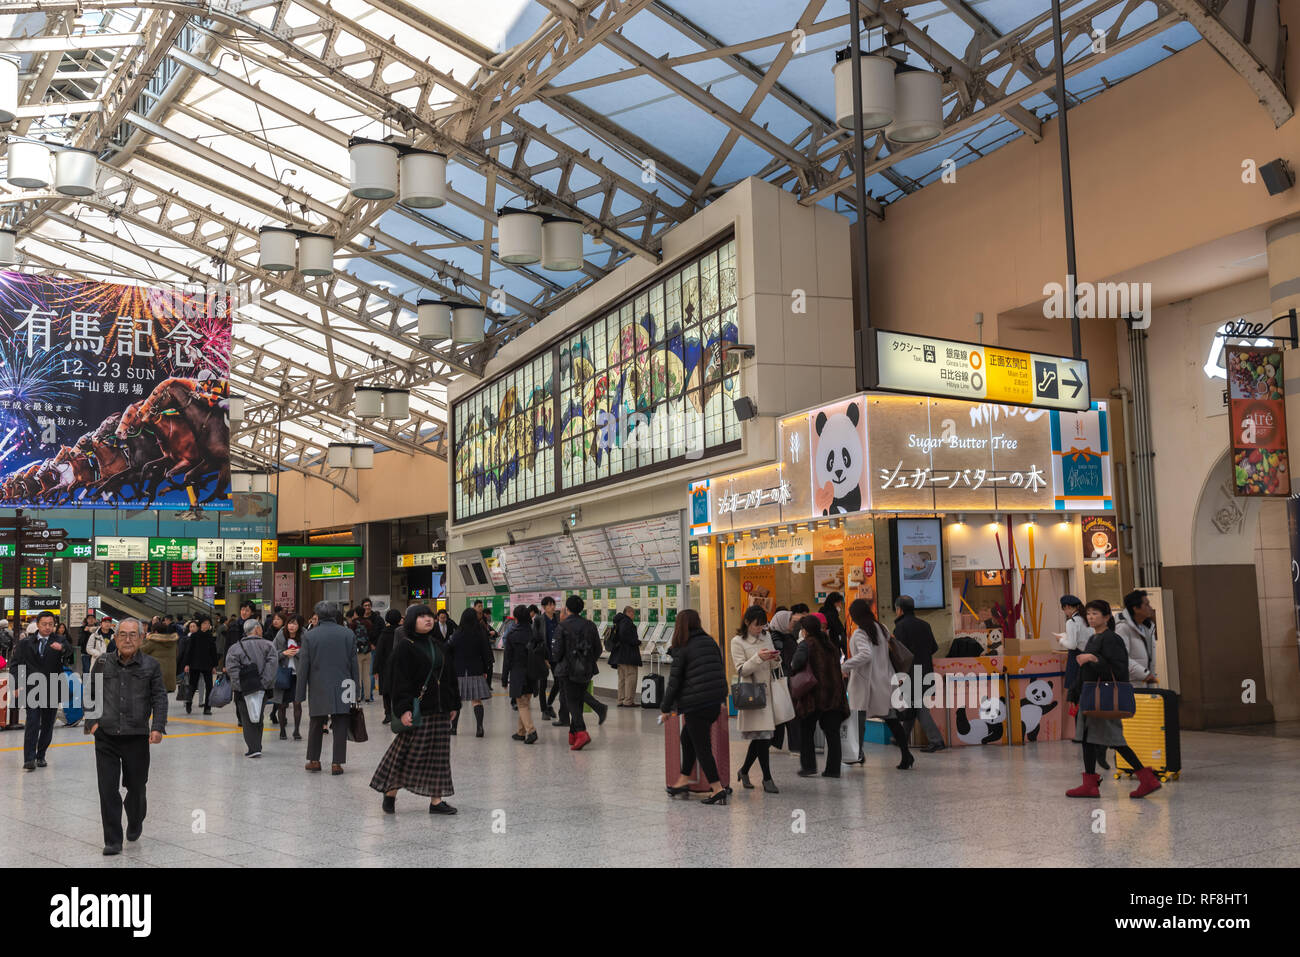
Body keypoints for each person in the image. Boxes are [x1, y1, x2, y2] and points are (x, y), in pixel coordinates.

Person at [85, 618, 167, 855]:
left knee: (137, 787)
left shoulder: (151, 665)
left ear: (141, 638)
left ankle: (135, 818)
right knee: (107, 789)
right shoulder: (101, 662)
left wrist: (158, 727)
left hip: (136, 736)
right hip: (106, 736)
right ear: (115, 637)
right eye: (122, 634)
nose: (127, 639)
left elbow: (159, 697)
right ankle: (112, 840)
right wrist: (92, 723)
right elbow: (90, 694)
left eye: (133, 635)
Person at [1066, 599, 1162, 799]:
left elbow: (1118, 669)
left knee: (1115, 741)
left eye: (1096, 614)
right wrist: (1075, 693)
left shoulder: (1111, 639)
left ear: (1107, 617)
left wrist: (1093, 659)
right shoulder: (1094, 638)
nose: (1091, 617)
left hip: (1104, 698)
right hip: (1090, 697)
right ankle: (1090, 783)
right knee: (1087, 740)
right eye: (1089, 614)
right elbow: (1085, 671)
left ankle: (1147, 779)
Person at [371, 603, 460, 815]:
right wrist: (402, 709)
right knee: (408, 754)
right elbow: (399, 681)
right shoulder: (405, 646)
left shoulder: (438, 645)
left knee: (439, 757)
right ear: (412, 621)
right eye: (421, 617)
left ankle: (436, 801)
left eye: (429, 616)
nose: (428, 619)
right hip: (418, 709)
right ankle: (390, 791)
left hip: (439, 709)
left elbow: (449, 678)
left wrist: (453, 704)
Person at [662, 609, 730, 804]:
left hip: (696, 704)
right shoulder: (710, 641)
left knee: (702, 747)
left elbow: (674, 682)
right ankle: (683, 778)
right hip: (714, 700)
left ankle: (717, 788)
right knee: (687, 737)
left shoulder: (682, 646)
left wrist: (665, 708)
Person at [845, 598, 914, 770]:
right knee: (892, 720)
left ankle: (857, 754)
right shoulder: (882, 628)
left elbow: (866, 655)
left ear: (854, 616)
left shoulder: (860, 633)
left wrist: (845, 666)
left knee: (858, 721)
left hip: (865, 683)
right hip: (884, 680)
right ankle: (906, 755)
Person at [297, 600, 359, 774]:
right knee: (340, 722)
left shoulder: (309, 636)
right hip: (345, 685)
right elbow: (354, 665)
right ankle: (336, 764)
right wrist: (357, 691)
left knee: (316, 722)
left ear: (318, 615)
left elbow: (304, 667)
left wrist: (300, 693)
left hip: (318, 685)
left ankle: (314, 760)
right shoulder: (348, 634)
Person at [730, 606, 781, 793]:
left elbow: (775, 665)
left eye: (762, 625)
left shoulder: (766, 637)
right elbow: (741, 669)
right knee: (763, 738)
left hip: (768, 693)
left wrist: (775, 658)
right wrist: (758, 658)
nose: (759, 629)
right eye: (756, 625)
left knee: (763, 737)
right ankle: (767, 778)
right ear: (747, 622)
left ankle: (744, 771)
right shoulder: (737, 642)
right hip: (752, 693)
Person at [791, 613, 848, 777]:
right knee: (832, 733)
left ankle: (809, 766)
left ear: (806, 630)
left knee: (807, 730)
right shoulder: (829, 644)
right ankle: (833, 769)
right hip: (833, 694)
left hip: (814, 695)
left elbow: (796, 663)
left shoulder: (806, 644)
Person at [892, 594, 945, 753]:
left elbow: (898, 653)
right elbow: (934, 648)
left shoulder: (900, 628)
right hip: (926, 671)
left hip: (909, 673)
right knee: (914, 705)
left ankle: (936, 740)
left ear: (899, 609)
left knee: (918, 707)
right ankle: (901, 737)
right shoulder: (925, 625)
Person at [554, 595, 608, 749]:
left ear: (567, 609)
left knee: (572, 702)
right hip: (585, 670)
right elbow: (598, 648)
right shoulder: (590, 625)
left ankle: (581, 732)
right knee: (577, 698)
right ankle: (573, 733)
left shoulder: (562, 626)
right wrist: (587, 662)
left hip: (567, 670)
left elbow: (557, 652)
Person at [15, 611, 65, 770]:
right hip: (32, 689)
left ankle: (41, 755)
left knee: (48, 724)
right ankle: (29, 758)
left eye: (51, 624)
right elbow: (15, 664)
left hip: (52, 688)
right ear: (38, 624)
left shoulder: (60, 640)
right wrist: (16, 684)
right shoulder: (26, 643)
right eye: (45, 624)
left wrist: (62, 649)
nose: (48, 627)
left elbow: (71, 656)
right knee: (32, 723)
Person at [224, 619, 278, 758]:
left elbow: (232, 668)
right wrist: (263, 684)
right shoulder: (268, 645)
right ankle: (257, 745)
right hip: (263, 688)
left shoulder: (235, 648)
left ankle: (253, 748)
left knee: (246, 718)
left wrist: (240, 685)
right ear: (257, 629)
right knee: (258, 715)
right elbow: (272, 667)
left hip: (243, 689)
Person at [449, 607, 494, 737]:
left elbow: (448, 649)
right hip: (476, 670)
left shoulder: (457, 633)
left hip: (459, 671)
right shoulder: (480, 633)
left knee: (456, 701)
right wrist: (485, 670)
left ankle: (453, 728)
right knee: (476, 701)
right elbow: (486, 653)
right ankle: (479, 727)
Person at [501, 604, 539, 744]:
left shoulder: (512, 634)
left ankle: (531, 730)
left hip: (518, 672)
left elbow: (507, 659)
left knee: (521, 704)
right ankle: (520, 732)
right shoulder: (534, 633)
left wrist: (504, 678)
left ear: (515, 618)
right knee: (525, 702)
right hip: (532, 672)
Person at [766, 608, 801, 753]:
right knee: (790, 713)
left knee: (783, 711)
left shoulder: (784, 635)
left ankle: (772, 741)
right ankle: (795, 746)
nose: (792, 624)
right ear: (782, 622)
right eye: (789, 621)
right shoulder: (778, 639)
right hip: (785, 678)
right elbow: (783, 659)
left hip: (786, 678)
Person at [273, 615, 307, 740]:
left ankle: (296, 731)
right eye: (290, 623)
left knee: (297, 703)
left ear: (300, 626)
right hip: (283, 673)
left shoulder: (305, 636)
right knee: (282, 704)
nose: (292, 626)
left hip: (298, 675)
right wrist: (284, 653)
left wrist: (298, 652)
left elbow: (310, 653)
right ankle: (282, 730)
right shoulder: (280, 635)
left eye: (295, 624)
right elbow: (272, 653)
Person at [1115, 589, 1158, 686]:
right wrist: (1144, 674)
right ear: (1136, 608)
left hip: (1145, 681)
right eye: (1146, 605)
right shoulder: (1122, 627)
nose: (1150, 607)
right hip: (1131, 683)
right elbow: (1122, 658)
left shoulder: (1147, 627)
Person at [181, 615, 219, 714]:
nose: (206, 626)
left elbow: (213, 652)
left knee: (209, 686)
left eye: (208, 624)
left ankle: (207, 708)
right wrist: (187, 664)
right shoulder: (194, 636)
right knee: (193, 685)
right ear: (200, 625)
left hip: (207, 664)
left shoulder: (211, 636)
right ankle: (189, 702)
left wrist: (214, 665)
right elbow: (189, 651)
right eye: (204, 623)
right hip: (195, 664)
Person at [533, 596, 561, 721]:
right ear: (544, 607)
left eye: (553, 604)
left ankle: (549, 704)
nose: (553, 607)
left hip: (556, 656)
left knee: (558, 681)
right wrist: (542, 658)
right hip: (543, 656)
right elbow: (536, 639)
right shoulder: (539, 619)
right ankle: (544, 710)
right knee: (542, 685)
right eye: (550, 605)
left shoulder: (557, 618)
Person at [609, 605, 642, 707]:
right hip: (628, 655)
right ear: (628, 612)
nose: (634, 616)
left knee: (622, 679)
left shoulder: (618, 621)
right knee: (631, 677)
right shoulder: (626, 622)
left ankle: (621, 699)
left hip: (619, 655)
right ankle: (628, 701)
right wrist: (636, 642)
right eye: (633, 613)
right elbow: (624, 635)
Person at [1058, 594, 1091, 694]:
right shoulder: (1087, 620)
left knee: (1076, 696)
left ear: (1067, 607)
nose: (1065, 612)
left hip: (1076, 660)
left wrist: (1061, 640)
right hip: (1089, 659)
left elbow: (1072, 645)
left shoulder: (1071, 622)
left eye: (1064, 609)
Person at [374, 608, 401, 724]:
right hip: (400, 666)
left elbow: (379, 652)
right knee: (398, 690)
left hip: (385, 667)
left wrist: (375, 669)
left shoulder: (384, 633)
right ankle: (398, 712)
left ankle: (388, 713)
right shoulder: (402, 631)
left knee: (386, 691)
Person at [141, 620, 180, 697]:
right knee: (163, 698)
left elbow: (141, 651)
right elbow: (176, 654)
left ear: (155, 632)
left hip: (157, 675)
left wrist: (144, 639)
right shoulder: (173, 642)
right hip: (170, 675)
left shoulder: (153, 642)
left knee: (154, 699)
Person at [264, 611, 287, 724]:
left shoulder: (287, 632)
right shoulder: (268, 633)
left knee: (282, 692)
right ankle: (275, 712)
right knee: (277, 692)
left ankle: (276, 712)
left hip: (285, 665)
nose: (275, 621)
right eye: (274, 619)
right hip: (272, 665)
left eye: (278, 619)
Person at [350, 609, 375, 705]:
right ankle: (368, 697)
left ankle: (358, 697)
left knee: (358, 675)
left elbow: (351, 636)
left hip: (357, 652)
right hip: (367, 651)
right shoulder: (368, 623)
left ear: (356, 613)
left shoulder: (353, 623)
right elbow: (371, 635)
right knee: (367, 675)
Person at [820, 592, 848, 657]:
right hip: (832, 646)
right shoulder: (832, 615)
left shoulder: (822, 612)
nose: (840, 605)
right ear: (835, 603)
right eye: (840, 603)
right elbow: (839, 631)